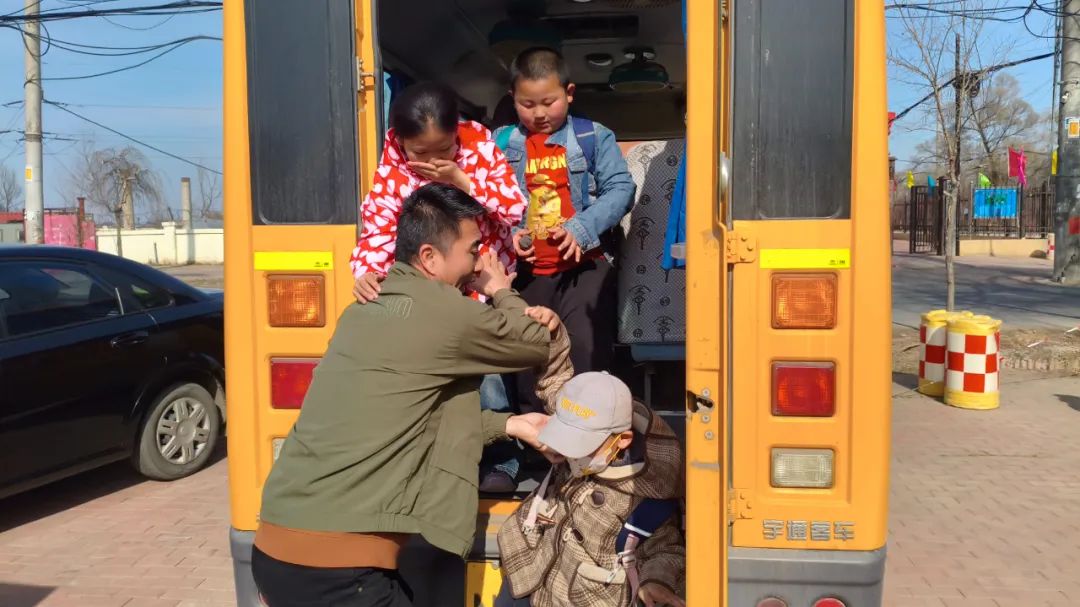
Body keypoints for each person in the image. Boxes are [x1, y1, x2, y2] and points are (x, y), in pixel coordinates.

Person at [253, 183, 570, 607]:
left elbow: (412, 420)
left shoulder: (361, 310)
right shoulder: (446, 312)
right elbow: (534, 341)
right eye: (473, 250)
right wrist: (499, 289)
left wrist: (509, 424)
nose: (479, 262)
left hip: (274, 550)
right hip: (338, 573)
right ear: (430, 257)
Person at [488, 47, 636, 490]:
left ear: (569, 93)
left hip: (584, 268)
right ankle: (537, 456)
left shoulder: (594, 137)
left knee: (586, 357)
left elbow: (620, 189)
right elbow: (485, 198)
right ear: (512, 99)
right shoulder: (500, 144)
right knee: (526, 359)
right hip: (527, 274)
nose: (539, 113)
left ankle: (592, 452)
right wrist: (510, 232)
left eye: (548, 102)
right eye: (527, 104)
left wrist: (581, 228)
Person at [495, 372, 686, 607]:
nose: (569, 452)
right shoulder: (584, 428)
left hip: (579, 596)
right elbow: (553, 381)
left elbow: (667, 550)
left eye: (580, 443)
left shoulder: (645, 497)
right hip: (529, 567)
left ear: (623, 440)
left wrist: (656, 580)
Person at [350, 81, 527, 301]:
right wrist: (368, 272)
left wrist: (461, 180)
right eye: (420, 152)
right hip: (424, 291)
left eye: (444, 149)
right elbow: (379, 230)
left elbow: (514, 210)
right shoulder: (392, 173)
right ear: (401, 141)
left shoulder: (482, 152)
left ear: (456, 132)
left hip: (483, 282)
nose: (433, 160)